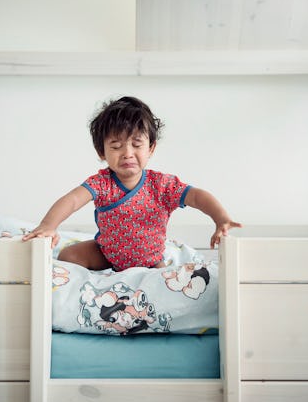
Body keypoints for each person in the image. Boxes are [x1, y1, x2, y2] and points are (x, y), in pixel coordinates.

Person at [23, 96, 241, 271]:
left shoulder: (162, 185)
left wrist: (220, 218)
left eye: (137, 144)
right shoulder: (102, 183)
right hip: (107, 255)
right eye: (116, 146)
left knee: (163, 279)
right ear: (102, 152)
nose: (128, 153)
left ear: (151, 148)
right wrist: (48, 226)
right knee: (67, 255)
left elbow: (196, 196)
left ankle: (154, 274)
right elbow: (72, 200)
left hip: (151, 261)